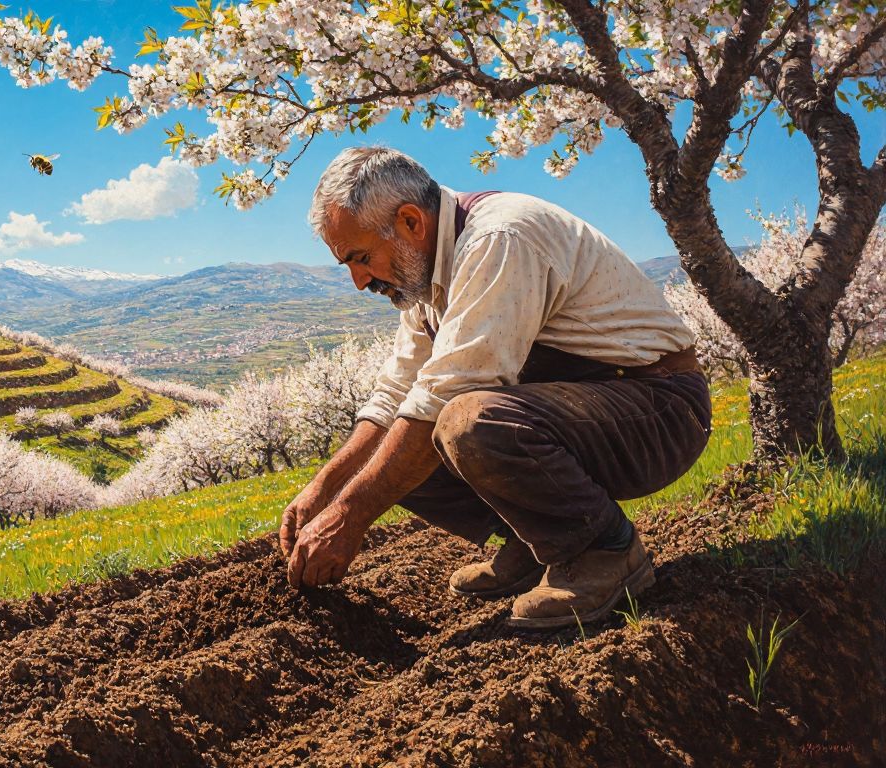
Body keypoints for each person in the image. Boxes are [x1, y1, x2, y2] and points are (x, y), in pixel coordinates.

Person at [280, 146, 710, 629]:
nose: (360, 281)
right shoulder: (425, 280)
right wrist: (326, 488)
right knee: (388, 454)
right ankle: (534, 543)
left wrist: (350, 516)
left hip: (659, 411)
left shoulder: (498, 238)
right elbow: (397, 397)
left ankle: (604, 551)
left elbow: (446, 396)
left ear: (410, 222)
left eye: (361, 258)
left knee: (468, 423)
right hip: (593, 408)